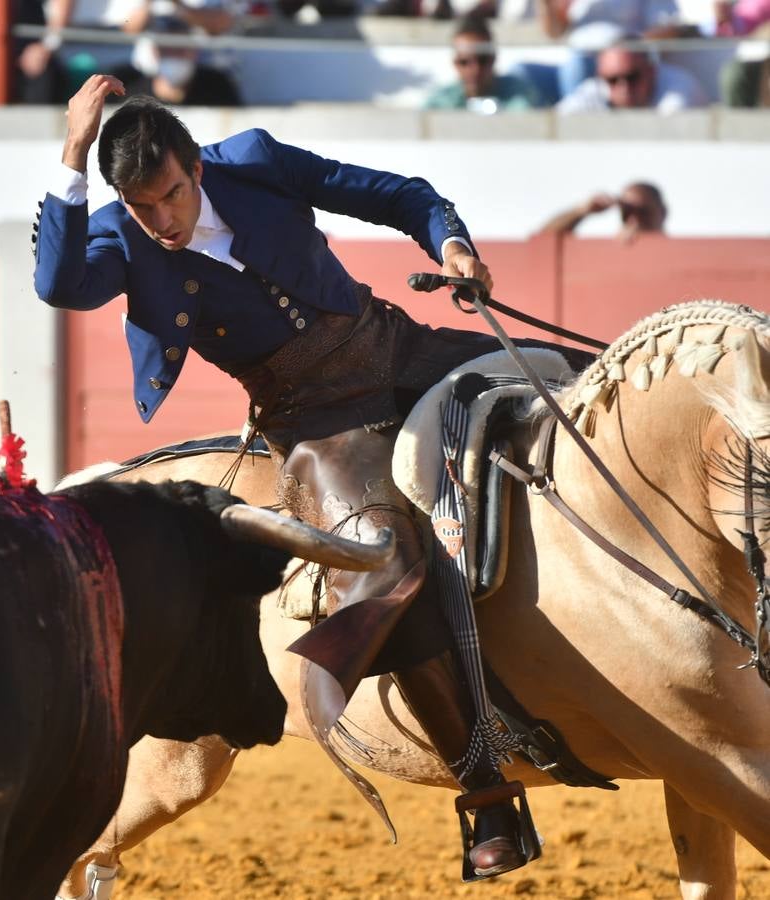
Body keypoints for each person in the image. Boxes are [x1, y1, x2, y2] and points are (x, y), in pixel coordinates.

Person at [33, 79, 597, 881]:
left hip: (399, 350)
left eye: (169, 196)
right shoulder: (120, 236)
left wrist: (452, 245)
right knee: (385, 568)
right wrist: (72, 151)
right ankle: (488, 799)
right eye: (141, 205)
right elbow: (57, 285)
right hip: (315, 421)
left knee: (594, 387)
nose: (160, 220)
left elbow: (400, 196)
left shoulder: (254, 161)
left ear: (195, 167)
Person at [113, 15, 241, 107]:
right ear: (155, 51)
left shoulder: (218, 86)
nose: (175, 54)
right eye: (168, 48)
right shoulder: (133, 95)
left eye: (182, 48)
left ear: (195, 51)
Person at [425, 16, 542, 112]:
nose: (475, 69)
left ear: (494, 59)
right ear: (455, 63)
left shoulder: (520, 94)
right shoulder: (440, 102)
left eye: (482, 60)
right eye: (464, 62)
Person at [556, 39, 708, 112]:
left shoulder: (679, 91)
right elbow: (561, 120)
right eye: (612, 80)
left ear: (651, 71)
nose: (624, 87)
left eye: (632, 77)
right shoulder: (595, 89)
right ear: (601, 77)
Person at [537, 181, 667, 238]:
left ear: (663, 212)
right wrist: (581, 211)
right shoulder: (606, 254)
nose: (635, 221)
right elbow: (543, 244)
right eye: (626, 213)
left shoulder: (674, 254)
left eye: (644, 213)